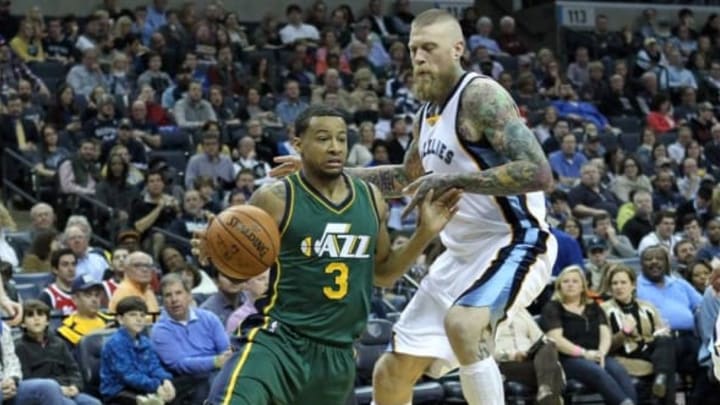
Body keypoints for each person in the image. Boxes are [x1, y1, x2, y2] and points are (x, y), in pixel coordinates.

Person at [272, 10, 556, 405]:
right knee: (389, 374)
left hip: (514, 240)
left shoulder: (480, 96)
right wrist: (327, 173)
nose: (418, 58)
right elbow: (406, 178)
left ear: (457, 50)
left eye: (429, 48)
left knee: (465, 326)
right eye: (413, 50)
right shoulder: (428, 113)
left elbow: (540, 172)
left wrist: (455, 180)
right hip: (458, 256)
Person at [201, 105, 460, 404]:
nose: (335, 147)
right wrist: (214, 252)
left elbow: (384, 273)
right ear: (298, 144)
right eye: (323, 138)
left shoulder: (371, 199)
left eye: (341, 138)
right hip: (278, 343)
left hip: (338, 356)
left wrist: (424, 233)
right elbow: (238, 270)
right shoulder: (276, 198)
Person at [542, 266, 637, 405]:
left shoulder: (593, 306)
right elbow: (556, 339)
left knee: (619, 371)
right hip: (567, 358)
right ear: (559, 286)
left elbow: (605, 332)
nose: (570, 284)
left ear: (582, 286)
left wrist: (602, 353)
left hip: (596, 354)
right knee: (597, 372)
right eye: (566, 281)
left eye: (575, 281)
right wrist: (584, 353)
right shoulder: (552, 307)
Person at [601, 265, 676, 404]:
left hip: (651, 352)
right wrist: (624, 333)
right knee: (668, 370)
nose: (619, 287)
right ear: (610, 288)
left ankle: (661, 377)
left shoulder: (647, 306)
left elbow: (659, 330)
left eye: (623, 282)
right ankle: (662, 381)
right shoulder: (603, 310)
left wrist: (662, 331)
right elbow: (604, 347)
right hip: (625, 356)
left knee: (666, 340)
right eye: (614, 283)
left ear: (633, 285)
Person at [15, 300, 102, 405]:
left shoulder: (59, 343)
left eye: (40, 314)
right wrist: (59, 389)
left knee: (94, 403)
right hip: (44, 394)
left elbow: (74, 370)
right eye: (30, 315)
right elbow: (26, 379)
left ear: (47, 321)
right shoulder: (20, 347)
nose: (36, 318)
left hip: (68, 390)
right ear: (23, 324)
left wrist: (75, 386)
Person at [100, 296, 176, 405]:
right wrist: (156, 386)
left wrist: (165, 380)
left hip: (142, 386)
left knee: (175, 391)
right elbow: (129, 375)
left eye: (142, 315)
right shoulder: (115, 343)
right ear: (120, 319)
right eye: (133, 315)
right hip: (118, 391)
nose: (139, 319)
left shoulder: (145, 341)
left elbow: (154, 366)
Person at [57, 275, 113, 348]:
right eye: (88, 295)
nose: (94, 300)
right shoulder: (66, 332)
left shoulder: (111, 321)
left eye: (97, 295)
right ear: (75, 299)